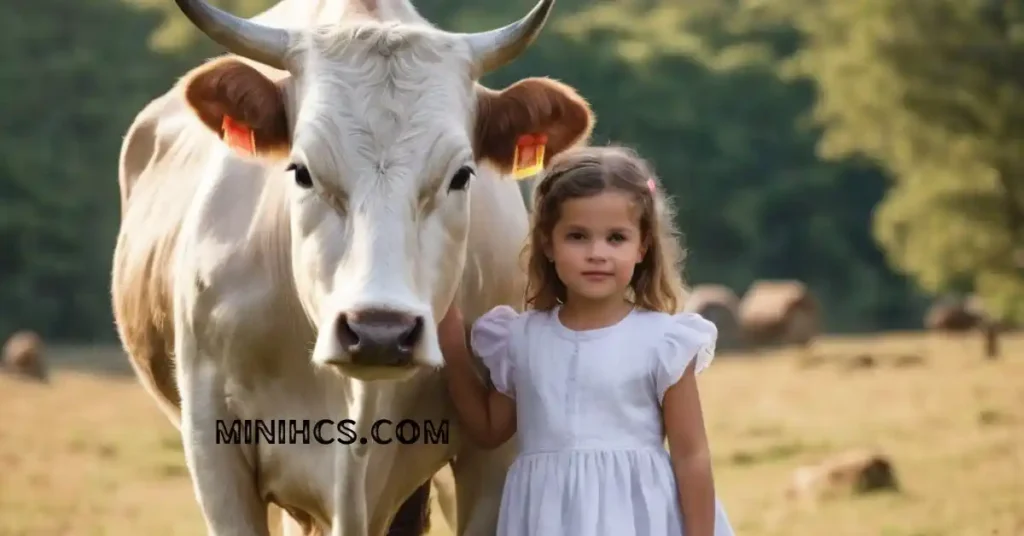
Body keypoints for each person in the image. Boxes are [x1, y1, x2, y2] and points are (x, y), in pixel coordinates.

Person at [437, 144, 736, 536]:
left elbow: (691, 454)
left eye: (616, 238)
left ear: (642, 246)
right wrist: (452, 344)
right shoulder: (520, 338)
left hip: (639, 519)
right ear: (548, 243)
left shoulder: (663, 341)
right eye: (577, 236)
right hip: (546, 518)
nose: (597, 253)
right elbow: (489, 429)